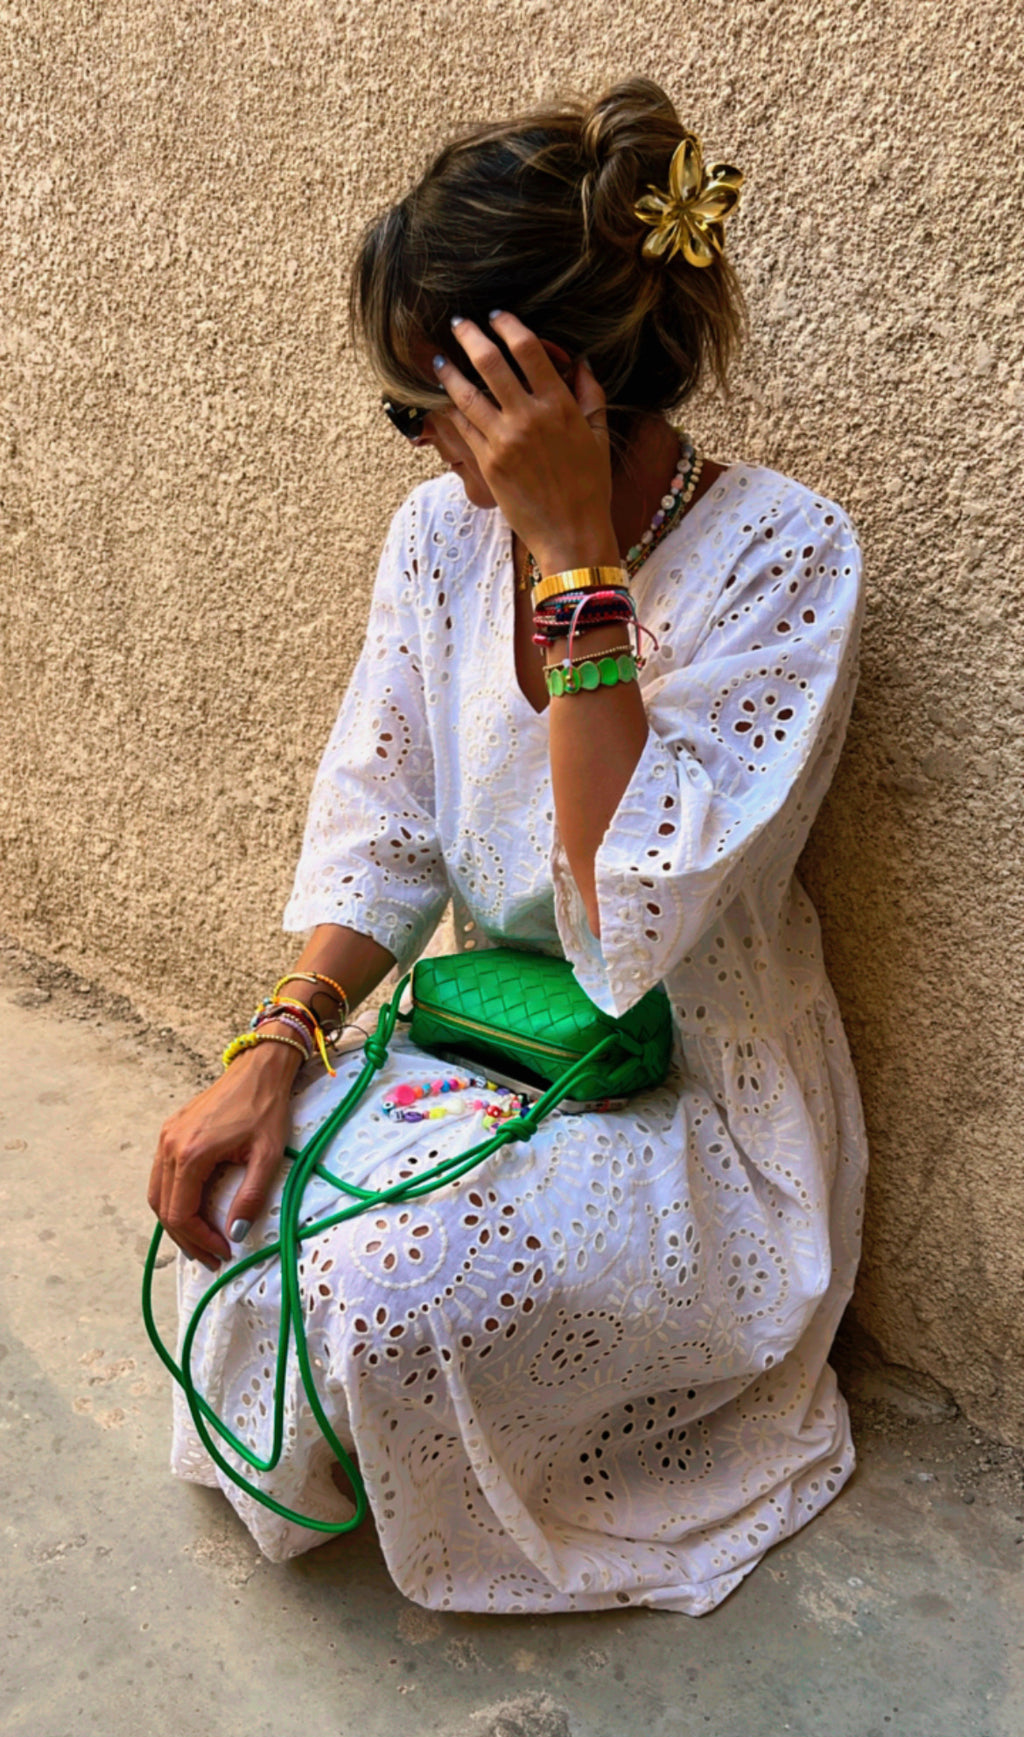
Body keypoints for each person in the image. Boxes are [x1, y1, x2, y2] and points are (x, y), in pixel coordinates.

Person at [147, 78, 868, 1616]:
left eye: (434, 406)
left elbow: (627, 922)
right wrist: (273, 1046)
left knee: (365, 1295)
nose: (420, 447)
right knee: (246, 1226)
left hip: (685, 1095)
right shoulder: (433, 540)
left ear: (557, 385)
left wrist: (575, 559)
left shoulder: (788, 559)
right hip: (485, 1045)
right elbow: (391, 822)